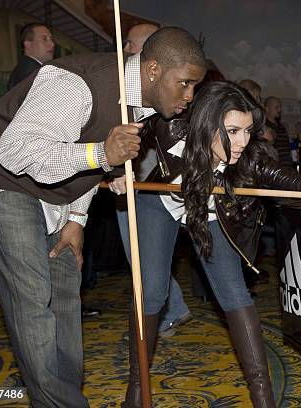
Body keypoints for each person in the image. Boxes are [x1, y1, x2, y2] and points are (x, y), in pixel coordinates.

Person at [126, 80, 301, 408]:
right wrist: (119, 165)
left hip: (209, 214)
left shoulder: (248, 161)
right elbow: (128, 130)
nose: (241, 142)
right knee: (153, 293)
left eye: (247, 132)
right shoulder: (169, 128)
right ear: (207, 122)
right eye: (232, 131)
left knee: (235, 295)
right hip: (158, 204)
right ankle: (136, 392)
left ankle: (264, 401)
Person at [0, 26, 207, 407]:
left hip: (56, 196)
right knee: (33, 299)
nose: (189, 97)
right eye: (186, 84)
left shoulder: (141, 106)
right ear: (155, 69)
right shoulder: (77, 83)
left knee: (64, 294)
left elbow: (88, 158)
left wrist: (78, 217)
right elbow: (15, 152)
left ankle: (60, 397)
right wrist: (101, 155)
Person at [108, 22, 192, 338]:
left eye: (130, 45)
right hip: (127, 181)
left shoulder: (165, 92)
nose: (125, 50)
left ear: (149, 57)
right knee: (143, 259)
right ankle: (170, 311)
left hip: (146, 186)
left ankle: (162, 315)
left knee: (143, 258)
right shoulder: (119, 85)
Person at [7, 23, 55, 90]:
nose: (52, 44)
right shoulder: (33, 74)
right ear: (28, 45)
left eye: (51, 39)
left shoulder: (26, 69)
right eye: (44, 39)